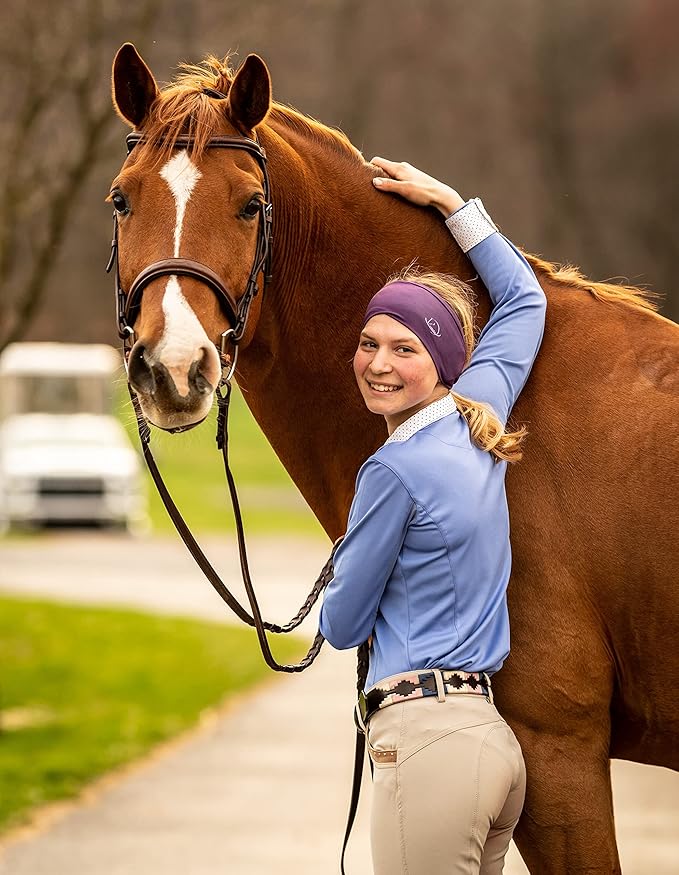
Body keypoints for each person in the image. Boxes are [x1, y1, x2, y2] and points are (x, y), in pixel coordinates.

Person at [319, 156, 547, 875]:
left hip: (426, 747)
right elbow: (523, 300)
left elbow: (340, 624)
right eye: (368, 343)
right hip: (487, 743)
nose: (377, 363)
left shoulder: (391, 470)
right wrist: (452, 202)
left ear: (443, 360)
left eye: (403, 349)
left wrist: (351, 554)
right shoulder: (477, 412)